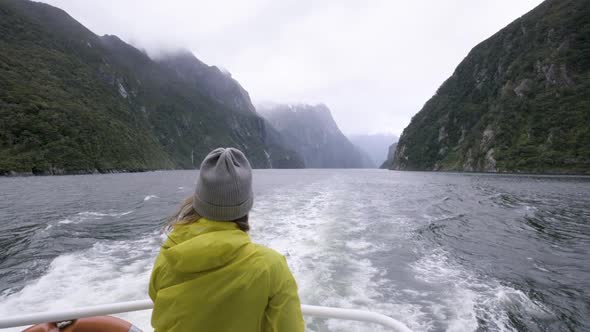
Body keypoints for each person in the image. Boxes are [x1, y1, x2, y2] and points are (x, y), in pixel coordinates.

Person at [149, 147, 305, 332]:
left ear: (198, 199)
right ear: (246, 205)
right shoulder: (271, 267)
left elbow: (155, 296)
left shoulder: (168, 255)